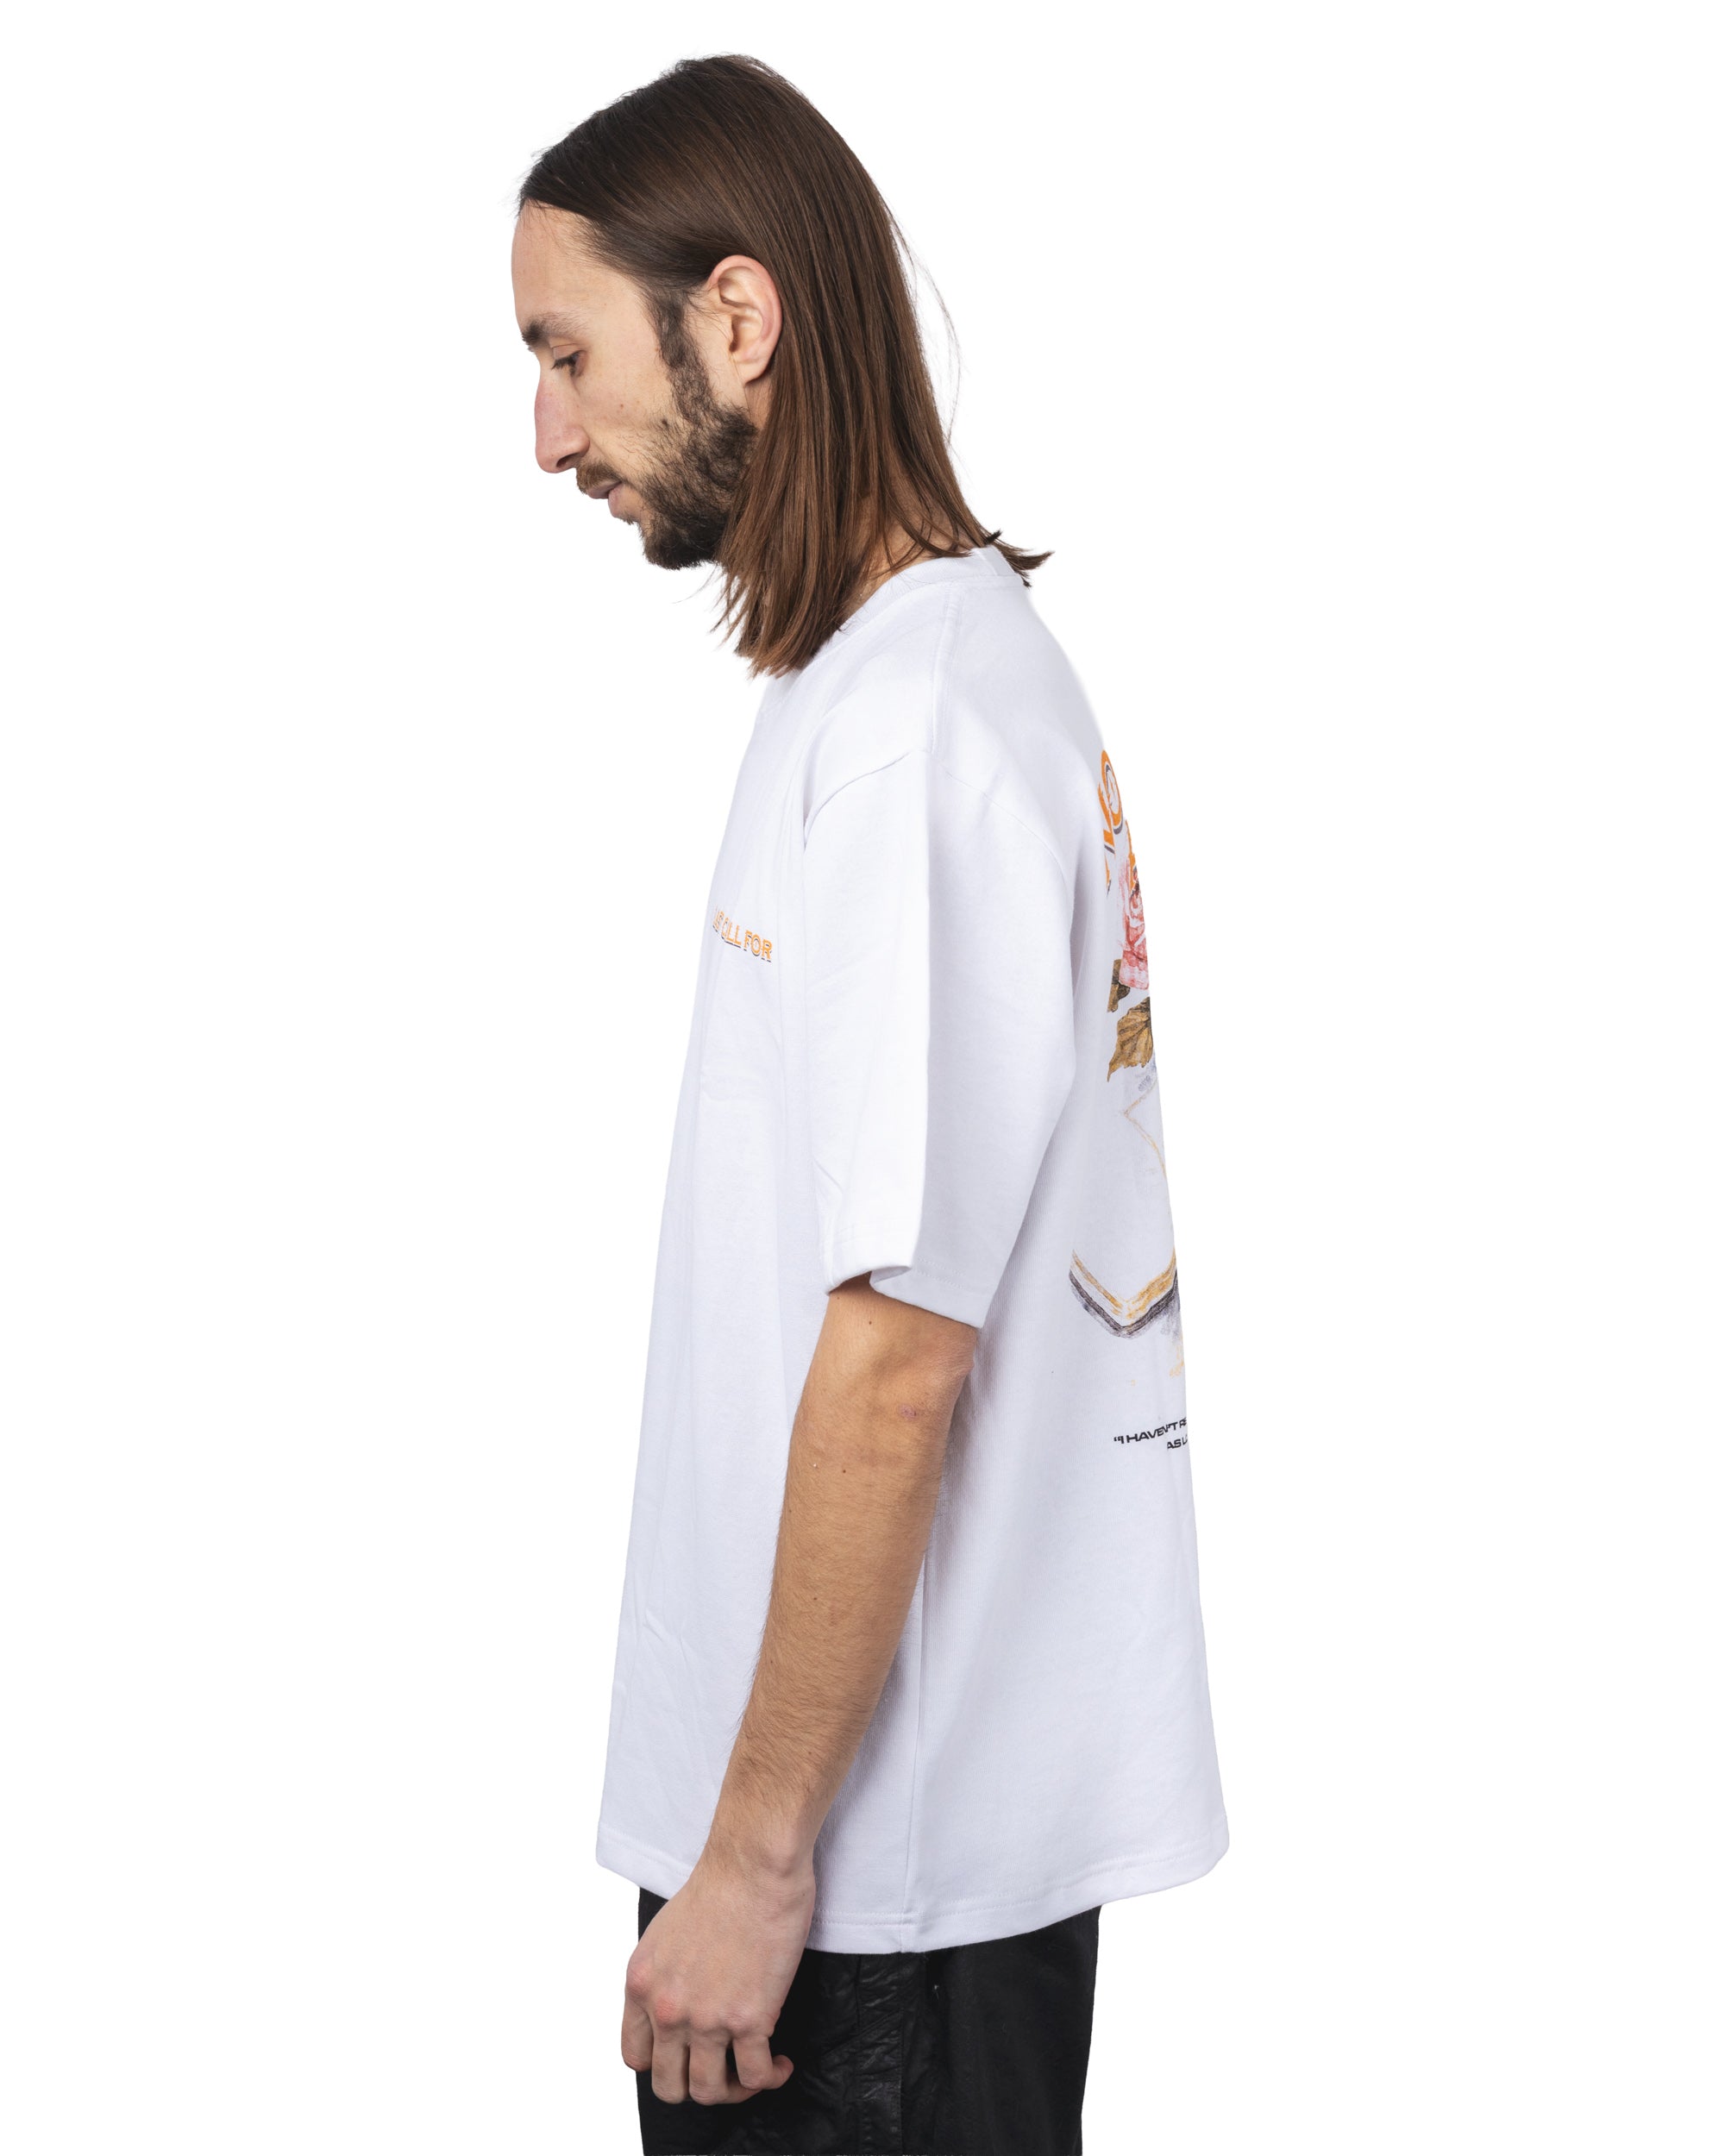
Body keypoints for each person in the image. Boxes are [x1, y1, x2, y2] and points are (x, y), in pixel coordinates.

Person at [511, 53, 1228, 2156]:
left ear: (735, 319)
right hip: (855, 1870)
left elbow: (901, 1353)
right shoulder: (882, 684)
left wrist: (749, 1860)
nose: (546, 434)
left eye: (566, 352)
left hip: (858, 1900)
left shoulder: (917, 723)